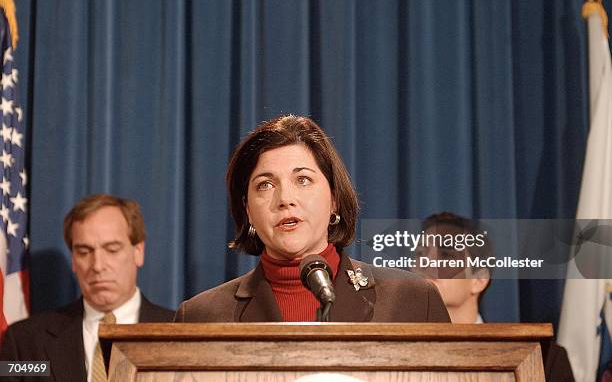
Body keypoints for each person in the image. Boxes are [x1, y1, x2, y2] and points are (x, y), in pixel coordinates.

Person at [175, 114, 450, 323]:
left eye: (303, 179)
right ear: (248, 210)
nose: (285, 198)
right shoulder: (200, 316)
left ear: (334, 199)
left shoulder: (414, 301)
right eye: (265, 184)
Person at [0, 194, 174, 382]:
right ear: (74, 260)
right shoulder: (25, 342)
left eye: (112, 249)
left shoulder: (180, 333)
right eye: (84, 252)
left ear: (138, 252)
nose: (97, 265)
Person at [416, 211, 575, 382]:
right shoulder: (389, 351)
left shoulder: (545, 359)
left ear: (478, 280)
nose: (427, 263)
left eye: (446, 255)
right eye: (420, 254)